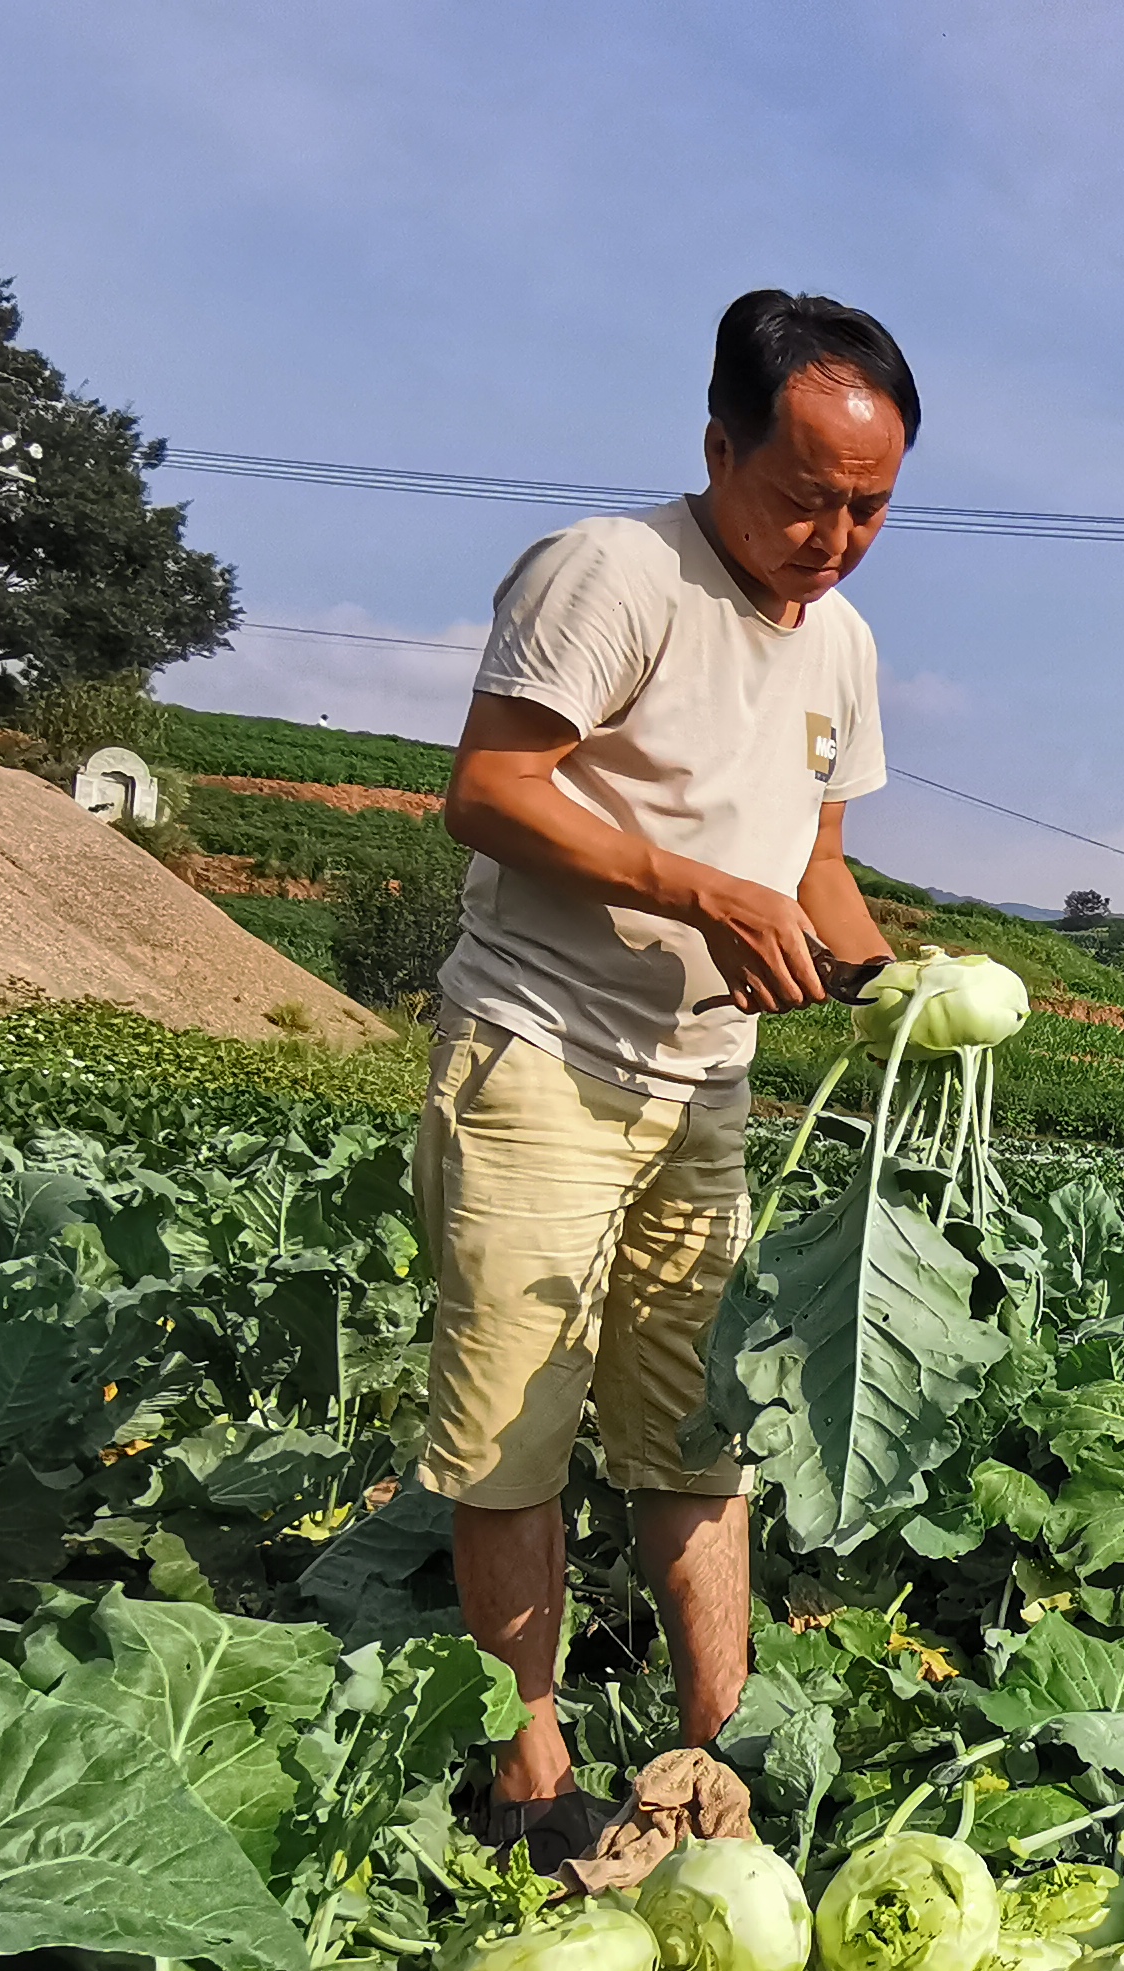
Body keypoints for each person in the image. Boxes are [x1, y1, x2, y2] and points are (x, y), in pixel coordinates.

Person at [418, 290, 915, 1861]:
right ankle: (531, 1773)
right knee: (517, 1430)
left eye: (871, 508)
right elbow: (490, 791)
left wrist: (902, 992)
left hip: (705, 1085)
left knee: (700, 1431)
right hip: (544, 1060)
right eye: (804, 498)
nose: (833, 537)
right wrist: (700, 894)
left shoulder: (841, 646)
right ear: (718, 448)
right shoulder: (615, 573)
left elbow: (815, 867)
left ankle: (719, 1760)